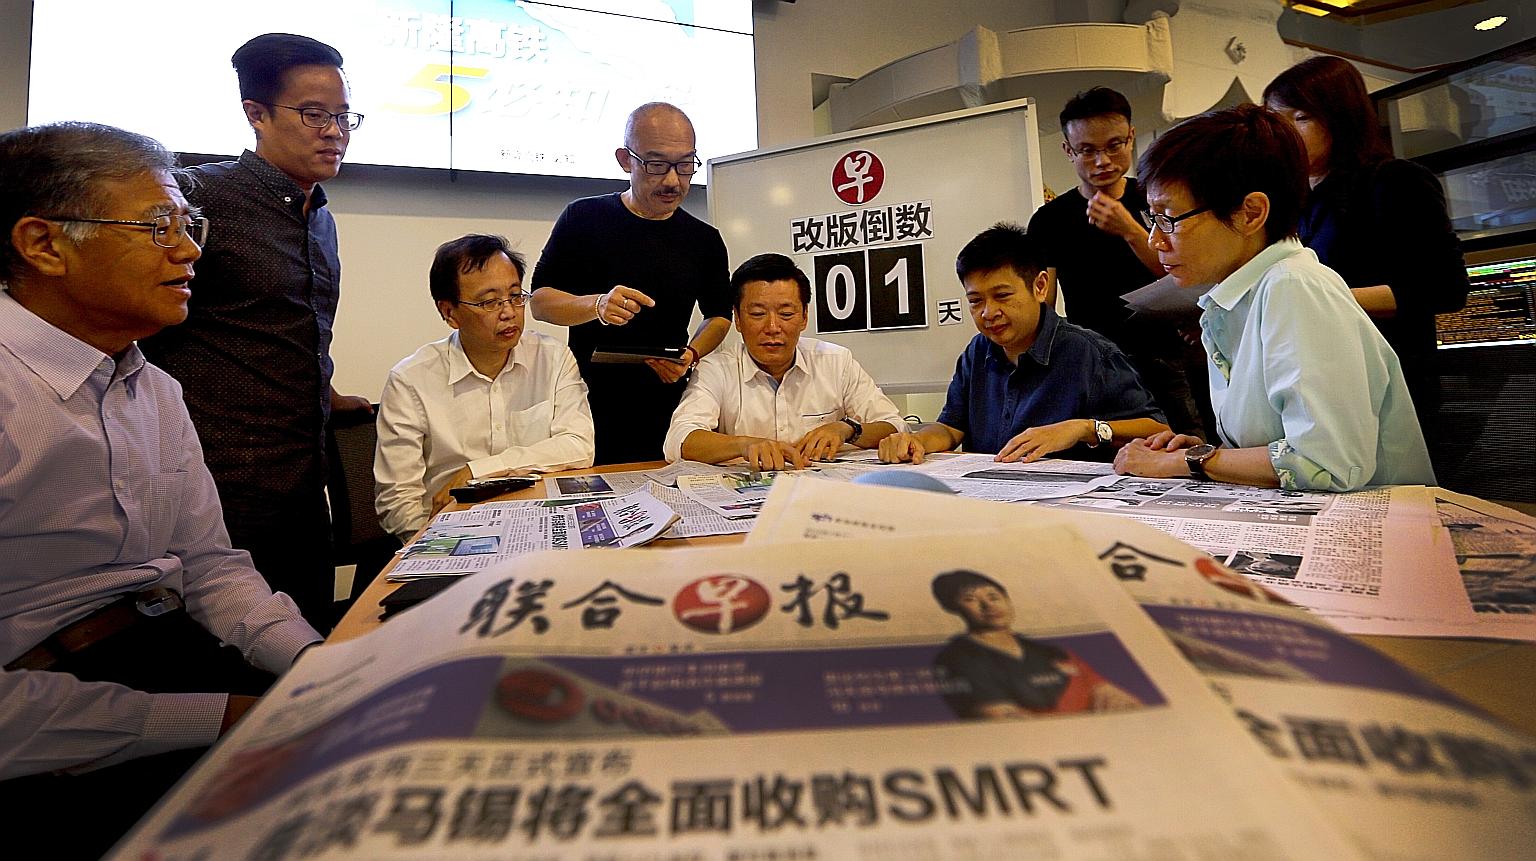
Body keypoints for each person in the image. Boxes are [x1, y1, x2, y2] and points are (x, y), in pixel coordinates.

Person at [0, 122, 324, 858]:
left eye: (189, 223)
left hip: (172, 649)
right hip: (54, 723)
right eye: (158, 226)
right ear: (44, 244)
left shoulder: (157, 391)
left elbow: (210, 568)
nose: (190, 250)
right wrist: (222, 717)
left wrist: (316, 666)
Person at [139, 33, 373, 627]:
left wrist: (328, 395)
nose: (334, 131)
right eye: (315, 114)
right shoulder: (197, 200)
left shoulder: (319, 217)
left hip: (302, 484)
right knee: (229, 681)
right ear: (256, 115)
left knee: (308, 651)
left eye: (343, 116)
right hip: (219, 491)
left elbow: (288, 334)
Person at [1114, 104, 1435, 491]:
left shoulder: (1295, 287)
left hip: (1375, 526)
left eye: (1170, 218)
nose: (1155, 240)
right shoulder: (1235, 300)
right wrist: (1205, 453)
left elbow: (1325, 464)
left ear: (1250, 213)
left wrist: (1191, 462)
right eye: (1152, 218)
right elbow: (1274, 445)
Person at [1264, 56, 1468, 441]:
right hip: (1321, 386)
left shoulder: (1394, 181)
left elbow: (1445, 287)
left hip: (1387, 386)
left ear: (1340, 119)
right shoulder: (1298, 200)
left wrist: (1320, 300)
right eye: (1277, 119)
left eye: (1301, 117)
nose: (1286, 133)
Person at [530, 102, 733, 465]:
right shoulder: (584, 218)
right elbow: (540, 302)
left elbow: (718, 315)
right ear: (626, 159)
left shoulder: (703, 239)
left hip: (670, 397)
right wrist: (598, 305)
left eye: (685, 165)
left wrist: (692, 355)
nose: (673, 180)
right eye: (656, 165)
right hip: (587, 399)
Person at [879, 223, 1168, 465]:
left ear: (1040, 286)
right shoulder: (977, 351)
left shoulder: (1089, 353)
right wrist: (916, 441)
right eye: (975, 301)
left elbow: (1157, 430)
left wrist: (1083, 428)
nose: (988, 313)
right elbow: (951, 427)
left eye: (1002, 296)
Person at [374, 234, 595, 540]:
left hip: (538, 531)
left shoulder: (552, 358)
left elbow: (579, 447)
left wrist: (479, 471)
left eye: (516, 296)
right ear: (449, 313)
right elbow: (397, 502)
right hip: (449, 537)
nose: (508, 312)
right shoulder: (410, 381)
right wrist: (437, 548)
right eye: (489, 302)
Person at [1028, 87, 1209, 438]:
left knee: (1185, 443)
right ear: (1068, 150)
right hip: (1095, 361)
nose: (1102, 161)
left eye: (1113, 146)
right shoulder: (1050, 219)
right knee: (1109, 452)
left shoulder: (1157, 198)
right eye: (1088, 151)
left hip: (1168, 355)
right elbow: (1043, 300)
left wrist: (1129, 229)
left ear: (1130, 138)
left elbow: (1188, 272)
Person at [663, 253, 904, 471]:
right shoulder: (716, 369)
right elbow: (679, 440)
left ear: (804, 317)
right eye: (757, 314)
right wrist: (744, 445)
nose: (772, 328)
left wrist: (847, 429)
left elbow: (893, 424)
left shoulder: (836, 361)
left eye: (786, 314)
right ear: (737, 318)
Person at [930, 571, 1141, 719]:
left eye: (994, 596)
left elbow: (1111, 696)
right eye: (970, 599)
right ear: (953, 608)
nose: (988, 605)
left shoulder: (1051, 652)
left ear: (1007, 599)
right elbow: (1003, 721)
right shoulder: (957, 659)